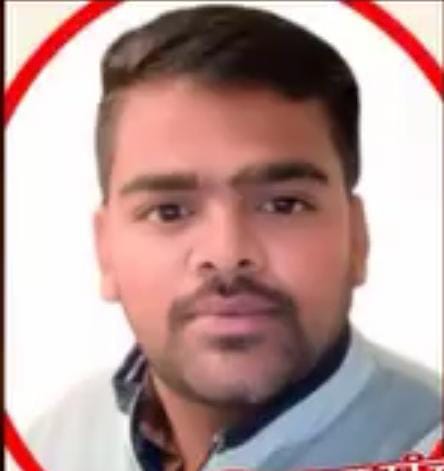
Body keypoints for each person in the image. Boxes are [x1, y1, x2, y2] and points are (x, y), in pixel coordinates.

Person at [25, 4, 441, 471]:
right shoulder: (52, 444)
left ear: (357, 239)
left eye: (284, 205)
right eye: (169, 211)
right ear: (105, 252)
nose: (226, 254)